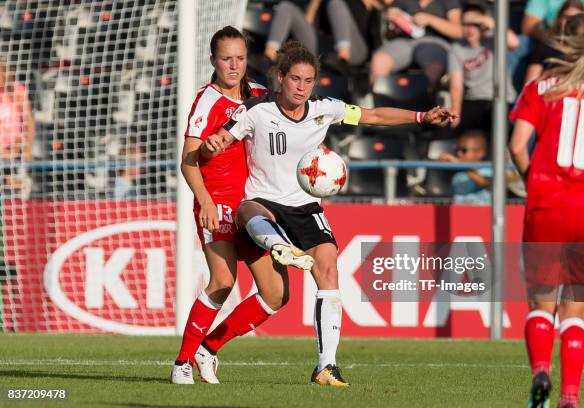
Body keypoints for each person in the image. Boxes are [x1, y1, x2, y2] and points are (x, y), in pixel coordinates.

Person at [202, 40, 457, 387]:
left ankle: (326, 366)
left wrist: (421, 116)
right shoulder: (256, 109)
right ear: (280, 77)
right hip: (263, 201)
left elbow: (374, 115)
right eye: (295, 80)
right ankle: (278, 245)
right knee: (248, 210)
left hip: (305, 206)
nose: (301, 88)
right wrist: (214, 142)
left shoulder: (327, 109)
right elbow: (222, 137)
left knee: (327, 270)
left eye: (308, 81)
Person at [510, 13, 584, 408]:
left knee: (541, 304)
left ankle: (540, 371)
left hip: (547, 205)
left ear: (561, 43)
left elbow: (518, 145)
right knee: (577, 308)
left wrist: (533, 181)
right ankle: (570, 397)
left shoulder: (540, 88)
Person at [170, 26, 270, 385]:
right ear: (213, 60)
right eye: (226, 58)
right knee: (223, 280)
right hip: (220, 204)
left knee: (276, 294)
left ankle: (208, 348)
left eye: (240, 58)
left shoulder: (260, 94)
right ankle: (182, 363)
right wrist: (205, 201)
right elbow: (188, 160)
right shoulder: (207, 101)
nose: (234, 65)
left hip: (255, 206)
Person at [445, 3, 519, 136]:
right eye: (466, 24)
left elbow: (514, 42)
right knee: (446, 131)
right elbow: (456, 84)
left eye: (474, 24)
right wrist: (455, 110)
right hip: (473, 100)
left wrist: (488, 21)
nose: (470, 29)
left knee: (502, 128)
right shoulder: (457, 48)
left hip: (501, 100)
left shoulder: (494, 39)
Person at [369, 0, 463, 96]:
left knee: (434, 68)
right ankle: (380, 103)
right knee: (379, 59)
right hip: (404, 41)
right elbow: (388, 35)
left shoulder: (449, 2)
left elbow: (458, 32)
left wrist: (430, 20)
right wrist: (395, 24)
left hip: (435, 42)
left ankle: (423, 103)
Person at [524, 0, 584, 84]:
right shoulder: (545, 48)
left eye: (577, 18)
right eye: (567, 18)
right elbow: (529, 84)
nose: (571, 23)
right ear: (560, 19)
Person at [0, 58, 35, 197]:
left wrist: (27, 149)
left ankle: (15, 182)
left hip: (16, 147)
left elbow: (29, 122)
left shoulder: (17, 91)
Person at [439, 129, 491, 204]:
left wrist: (460, 164)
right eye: (457, 149)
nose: (459, 154)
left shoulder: (490, 171)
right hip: (459, 214)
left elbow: (483, 182)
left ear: (480, 153)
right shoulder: (457, 177)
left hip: (484, 214)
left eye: (463, 150)